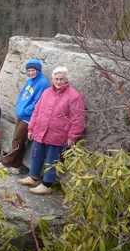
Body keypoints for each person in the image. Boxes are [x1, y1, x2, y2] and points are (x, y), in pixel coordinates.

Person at [17, 66, 86, 195]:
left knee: (52, 160)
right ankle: (33, 178)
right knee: (36, 154)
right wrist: (31, 128)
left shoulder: (74, 96)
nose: (58, 82)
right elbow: (37, 111)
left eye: (61, 79)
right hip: (41, 131)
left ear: (66, 80)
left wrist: (72, 137)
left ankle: (47, 185)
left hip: (58, 135)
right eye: (56, 79)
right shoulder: (47, 92)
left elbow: (78, 119)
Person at [0, 59, 50, 171]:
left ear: (38, 70)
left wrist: (25, 111)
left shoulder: (43, 83)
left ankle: (5, 163)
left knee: (17, 139)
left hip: (29, 117)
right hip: (21, 114)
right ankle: (15, 166)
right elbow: (22, 95)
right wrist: (19, 106)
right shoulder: (30, 80)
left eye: (33, 70)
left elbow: (38, 102)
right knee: (20, 141)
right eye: (29, 70)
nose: (30, 73)